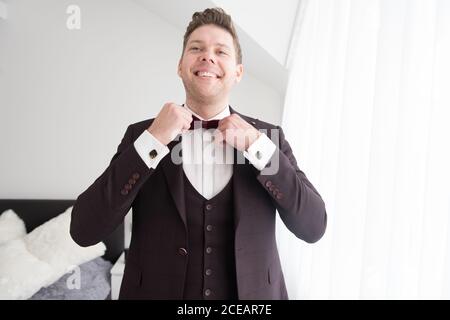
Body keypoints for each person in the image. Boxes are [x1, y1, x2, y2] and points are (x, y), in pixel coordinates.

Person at [70, 7, 327, 300]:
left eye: (221, 51)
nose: (208, 56)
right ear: (180, 66)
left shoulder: (269, 139)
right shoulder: (141, 136)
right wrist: (153, 141)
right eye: (196, 48)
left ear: (238, 73)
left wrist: (258, 148)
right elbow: (84, 230)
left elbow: (313, 226)